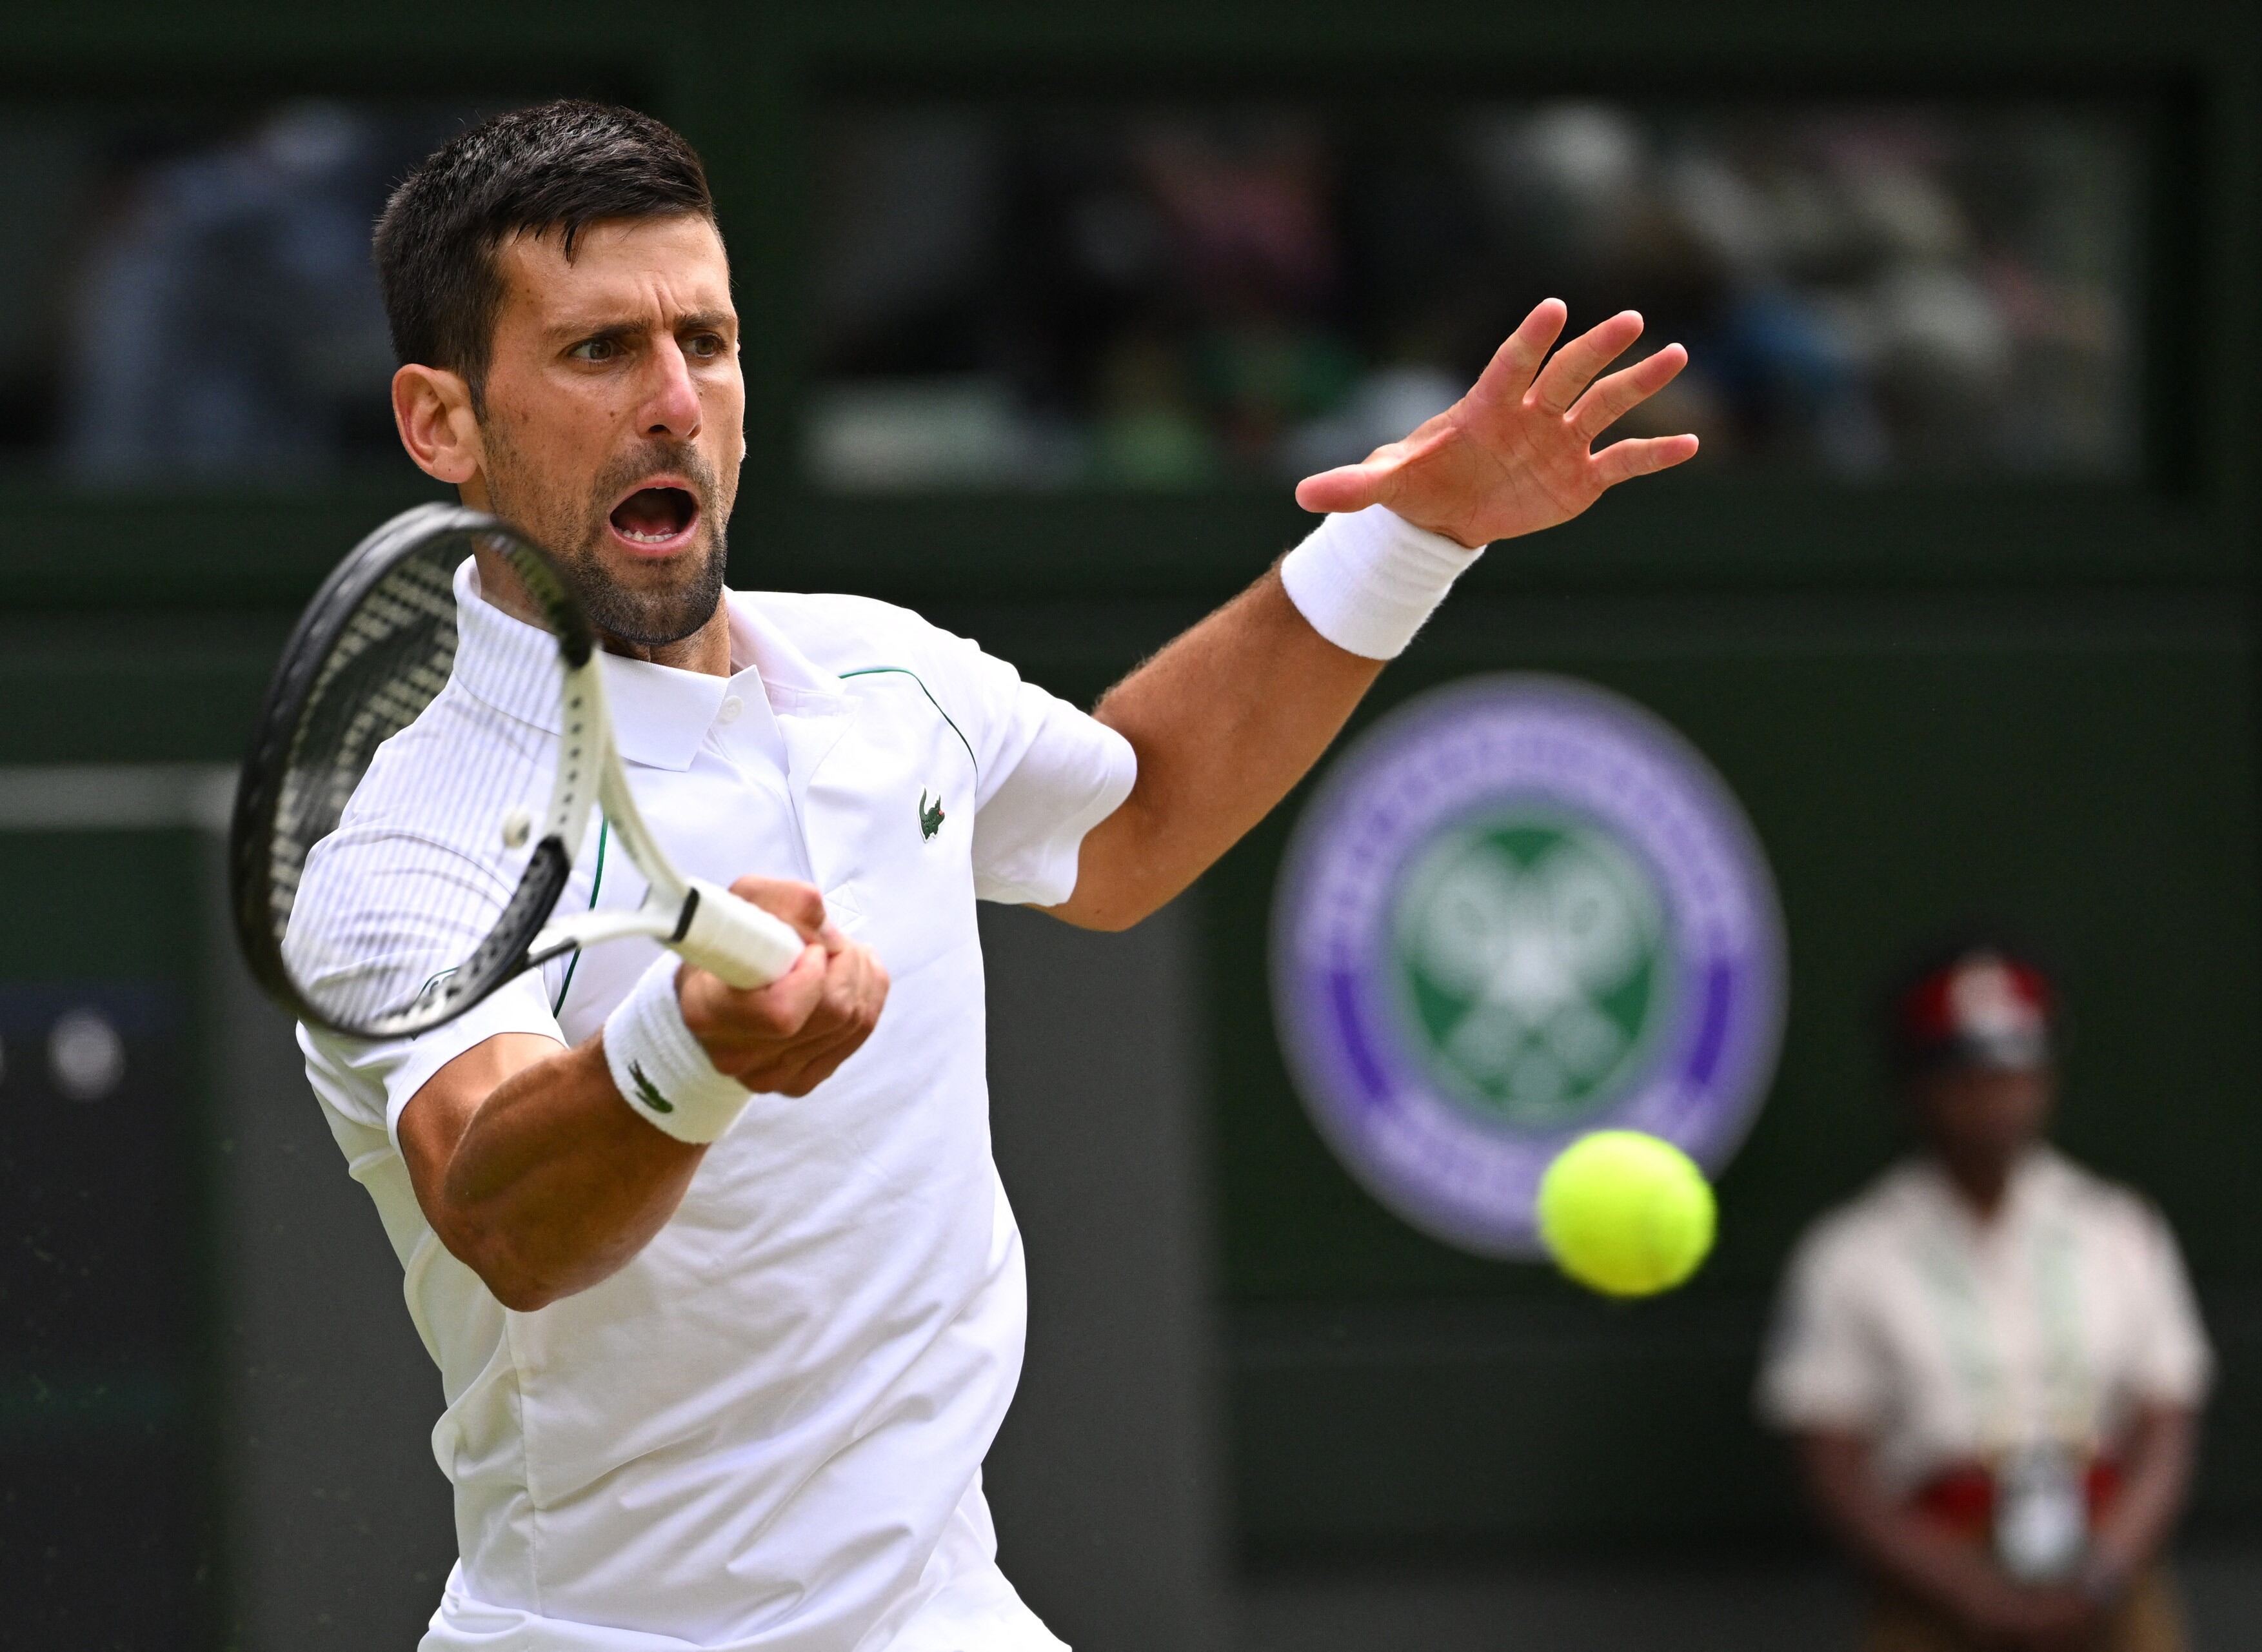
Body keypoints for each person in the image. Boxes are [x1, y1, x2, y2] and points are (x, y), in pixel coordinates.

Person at [295, 101, 1698, 1652]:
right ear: (443, 423)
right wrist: (685, 1058)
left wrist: (1417, 533)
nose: (677, 404)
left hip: (937, 1614)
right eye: (599, 352)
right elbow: (504, 1212)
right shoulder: (405, 854)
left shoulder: (887, 677)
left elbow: (1133, 822)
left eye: (710, 339)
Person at [1756, 940, 2213, 1652]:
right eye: (1966, 1076)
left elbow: (2166, 1427)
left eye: (2017, 1070)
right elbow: (1832, 1466)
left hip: (2105, 1574)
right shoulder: (1849, 1254)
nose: (1996, 1096)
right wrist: (1969, 1590)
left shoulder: (2119, 1228)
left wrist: (2104, 1571)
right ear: (1913, 1088)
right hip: (1936, 1582)